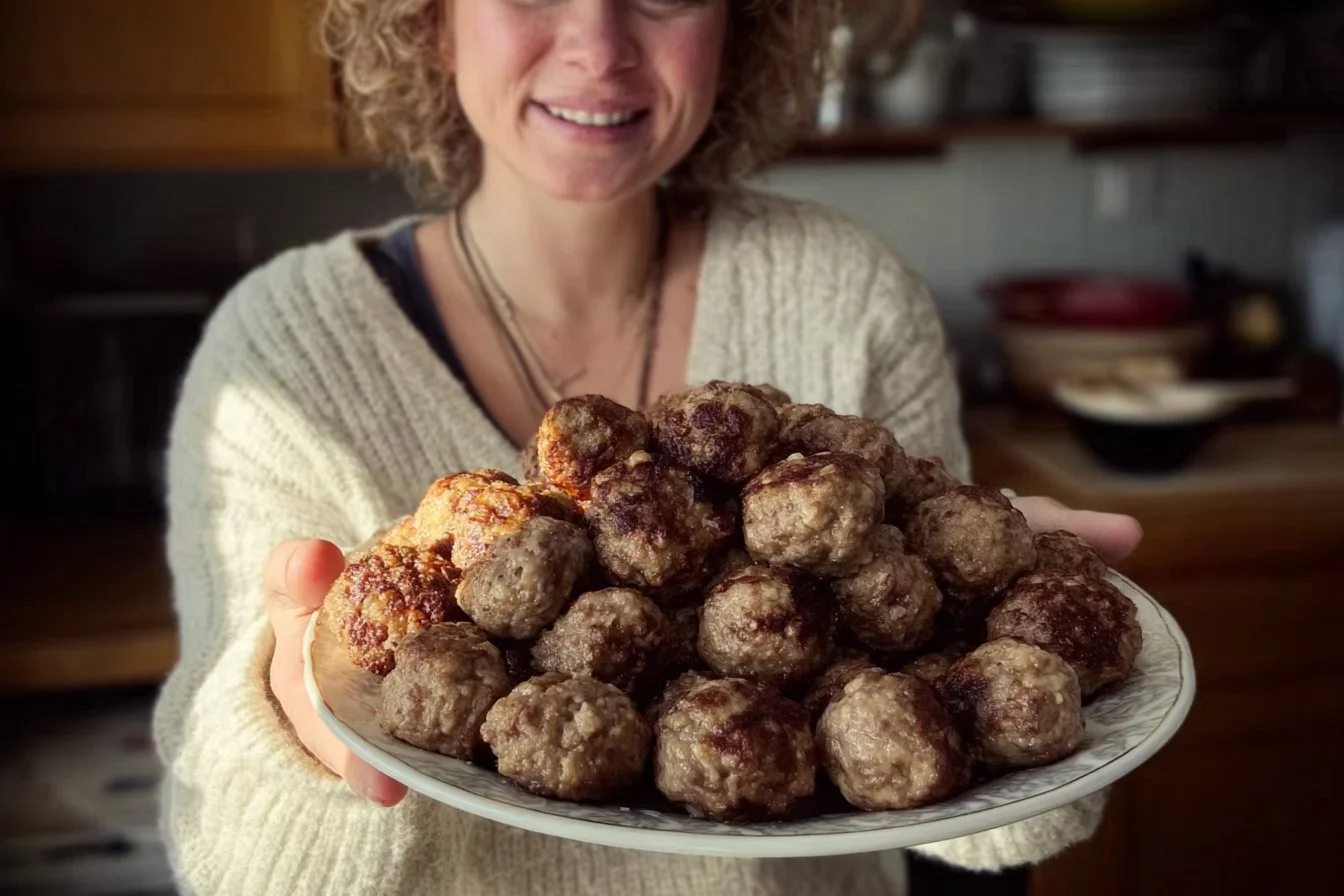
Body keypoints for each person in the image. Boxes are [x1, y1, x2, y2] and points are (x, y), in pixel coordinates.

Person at [153, 1, 1144, 893]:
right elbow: (229, 862)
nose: (598, 46)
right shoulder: (282, 352)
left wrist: (1014, 642)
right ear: (429, 20)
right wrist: (296, 736)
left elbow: (985, 821)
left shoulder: (851, 292)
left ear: (741, 23)